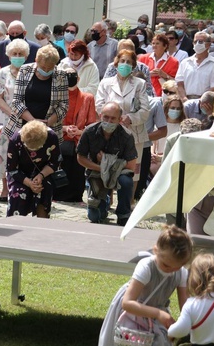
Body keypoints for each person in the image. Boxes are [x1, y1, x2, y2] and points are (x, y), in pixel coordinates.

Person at [98, 225, 193, 346]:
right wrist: (158, 313)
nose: (171, 270)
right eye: (166, 265)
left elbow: (185, 306)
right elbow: (127, 303)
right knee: (126, 345)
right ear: (155, 250)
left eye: (176, 267)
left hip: (156, 314)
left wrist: (184, 324)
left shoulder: (181, 272)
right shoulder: (146, 267)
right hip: (133, 310)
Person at [96, 49, 150, 196]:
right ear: (116, 63)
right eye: (122, 61)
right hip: (110, 129)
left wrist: (130, 118)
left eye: (129, 62)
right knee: (109, 165)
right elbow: (99, 105)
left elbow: (145, 110)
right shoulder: (106, 83)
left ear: (133, 66)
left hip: (133, 132)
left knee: (134, 170)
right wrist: (114, 118)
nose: (125, 65)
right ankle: (108, 200)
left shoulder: (140, 84)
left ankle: (129, 201)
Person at [77, 102, 137, 225]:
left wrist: (106, 161)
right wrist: (101, 167)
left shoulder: (127, 136)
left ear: (120, 120)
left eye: (113, 118)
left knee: (126, 181)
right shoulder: (89, 131)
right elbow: (80, 158)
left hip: (119, 174)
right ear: (100, 115)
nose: (109, 121)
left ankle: (123, 214)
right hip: (95, 172)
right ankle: (104, 202)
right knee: (95, 217)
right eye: (106, 117)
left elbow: (131, 165)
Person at [0, 39, 29, 202]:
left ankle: (22, 186)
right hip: (5, 118)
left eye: (21, 54)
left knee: (23, 152)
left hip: (25, 117)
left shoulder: (30, 72)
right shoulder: (2, 73)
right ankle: (5, 188)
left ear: (26, 56)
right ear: (9, 55)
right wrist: (12, 113)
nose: (18, 56)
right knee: (4, 152)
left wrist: (23, 114)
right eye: (15, 54)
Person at [3, 45, 69, 144]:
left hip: (49, 129)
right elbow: (16, 101)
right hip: (22, 126)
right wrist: (34, 122)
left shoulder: (61, 75)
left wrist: (48, 122)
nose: (46, 71)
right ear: (36, 60)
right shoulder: (25, 70)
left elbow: (64, 105)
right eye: (43, 67)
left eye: (49, 68)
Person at [6, 120, 61, 218]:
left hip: (44, 172)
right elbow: (12, 169)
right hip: (20, 174)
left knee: (45, 189)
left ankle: (42, 224)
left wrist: (41, 176)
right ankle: (16, 223)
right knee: (18, 192)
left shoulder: (52, 137)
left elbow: (55, 162)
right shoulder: (15, 139)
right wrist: (29, 183)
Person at [58, 67, 97, 203]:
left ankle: (75, 196)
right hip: (61, 139)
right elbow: (50, 121)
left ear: (78, 78)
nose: (70, 77)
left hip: (78, 140)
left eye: (72, 75)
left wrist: (80, 131)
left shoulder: (88, 98)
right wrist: (64, 128)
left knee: (77, 171)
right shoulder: (57, 97)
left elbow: (92, 123)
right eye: (67, 75)